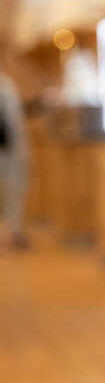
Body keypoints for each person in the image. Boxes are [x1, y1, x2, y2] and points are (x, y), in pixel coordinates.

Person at [0, 71, 30, 250]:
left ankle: (14, 232)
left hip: (10, 148)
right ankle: (13, 232)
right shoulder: (5, 86)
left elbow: (14, 117)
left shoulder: (6, 84)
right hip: (7, 148)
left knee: (15, 190)